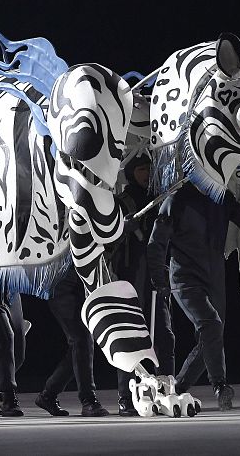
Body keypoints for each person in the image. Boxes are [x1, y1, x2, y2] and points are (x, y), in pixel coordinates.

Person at [146, 180, 240, 411]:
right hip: (185, 278)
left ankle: (178, 388)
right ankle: (220, 385)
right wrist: (159, 278)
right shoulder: (176, 200)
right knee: (211, 326)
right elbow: (156, 243)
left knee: (211, 335)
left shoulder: (222, 196)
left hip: (214, 276)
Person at [111, 153, 173, 417]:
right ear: (131, 172)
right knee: (131, 339)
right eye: (141, 169)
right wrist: (123, 229)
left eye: (149, 168)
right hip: (129, 278)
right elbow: (105, 240)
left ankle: (165, 389)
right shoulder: (119, 202)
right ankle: (126, 395)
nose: (146, 173)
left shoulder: (160, 200)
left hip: (155, 276)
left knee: (164, 337)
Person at [34, 269, 109, 417]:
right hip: (61, 280)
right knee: (81, 339)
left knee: (80, 344)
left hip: (84, 280)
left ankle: (48, 394)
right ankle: (88, 400)